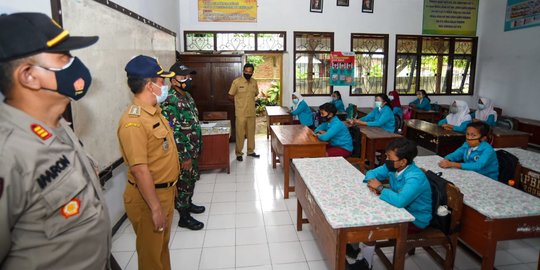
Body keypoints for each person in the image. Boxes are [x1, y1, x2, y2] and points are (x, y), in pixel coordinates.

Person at [0, 12, 111, 269]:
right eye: (63, 58)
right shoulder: (8, 153)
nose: (75, 65)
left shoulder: (58, 126)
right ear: (28, 75)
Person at [117, 55, 180, 270]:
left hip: (164, 193)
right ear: (149, 85)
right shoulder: (133, 122)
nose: (165, 86)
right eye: (162, 81)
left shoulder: (154, 113)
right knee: (151, 258)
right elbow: (140, 169)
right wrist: (155, 208)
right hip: (148, 198)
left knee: (161, 249)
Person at [348, 138, 432, 269]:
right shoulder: (394, 166)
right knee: (364, 213)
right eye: (386, 155)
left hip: (415, 219)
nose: (386, 160)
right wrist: (372, 183)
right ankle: (356, 248)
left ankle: (366, 264)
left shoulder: (415, 177)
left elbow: (400, 201)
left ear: (403, 162)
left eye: (389, 157)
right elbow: (371, 173)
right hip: (399, 211)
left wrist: (380, 188)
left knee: (372, 226)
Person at [161, 62, 205, 230]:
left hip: (192, 148)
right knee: (184, 183)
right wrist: (184, 155)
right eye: (182, 77)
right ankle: (184, 216)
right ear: (173, 80)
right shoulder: (169, 100)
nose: (187, 79)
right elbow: (173, 132)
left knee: (190, 179)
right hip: (183, 152)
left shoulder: (186, 95)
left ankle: (188, 204)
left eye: (188, 76)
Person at [228, 63, 260, 162]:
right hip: (240, 113)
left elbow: (255, 94)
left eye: (250, 72)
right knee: (240, 134)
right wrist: (238, 103)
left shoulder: (254, 82)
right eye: (246, 71)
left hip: (251, 113)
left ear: (252, 72)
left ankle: (250, 151)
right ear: (243, 71)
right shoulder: (236, 82)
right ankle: (238, 153)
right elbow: (230, 95)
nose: (248, 73)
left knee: (251, 133)